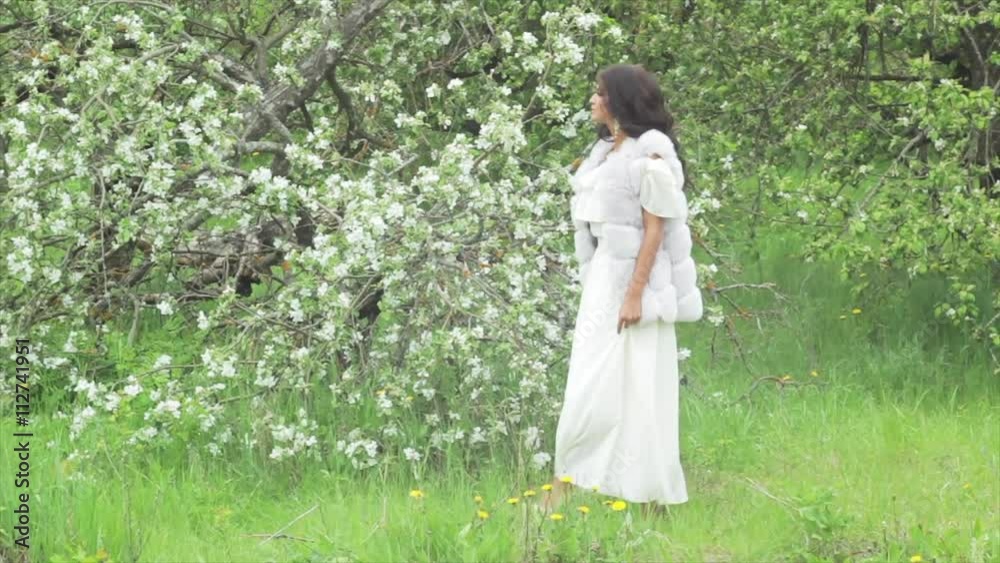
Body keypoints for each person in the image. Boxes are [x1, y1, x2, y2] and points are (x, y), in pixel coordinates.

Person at [541, 64, 700, 518]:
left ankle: (647, 499)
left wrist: (634, 296)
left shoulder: (650, 156)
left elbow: (655, 231)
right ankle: (570, 481)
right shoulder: (605, 154)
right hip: (602, 281)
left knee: (639, 387)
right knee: (587, 385)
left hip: (636, 288)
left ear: (618, 101)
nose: (592, 100)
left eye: (599, 93)